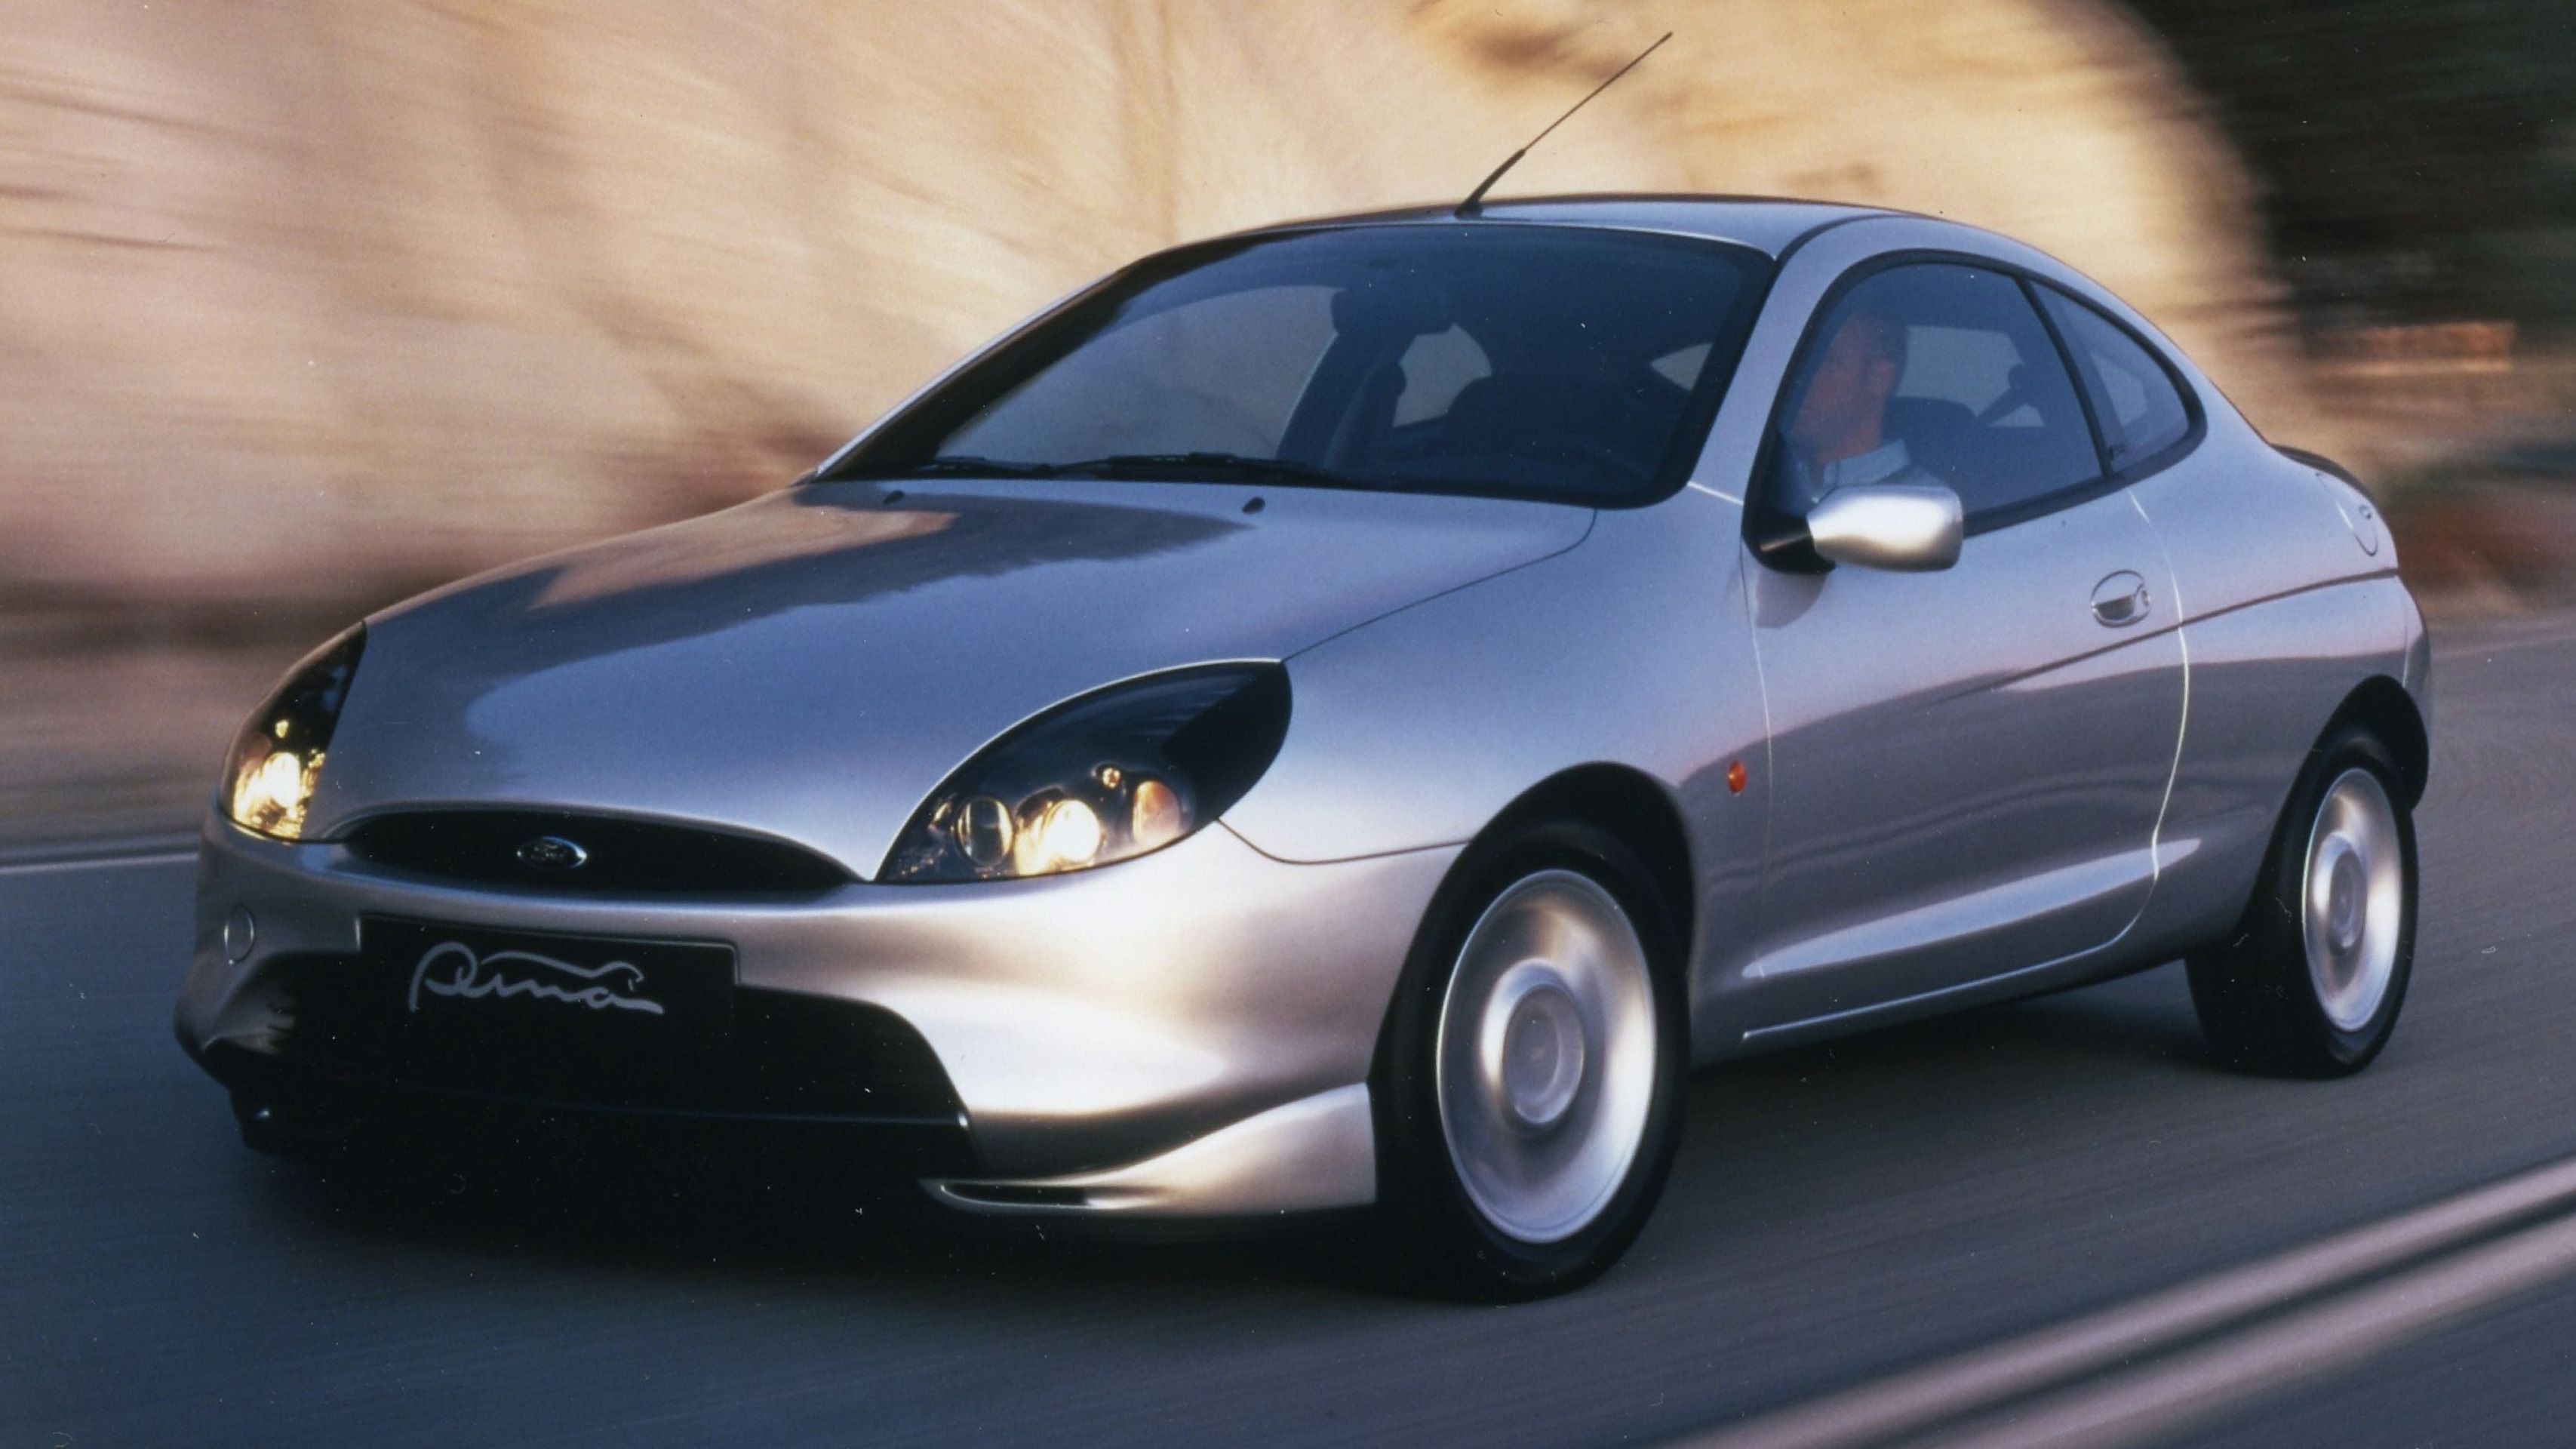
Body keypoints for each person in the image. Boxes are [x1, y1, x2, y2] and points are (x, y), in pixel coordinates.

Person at [1782, 303, 1937, 506]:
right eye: (1798, 361)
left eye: (1826, 361)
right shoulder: (1765, 484)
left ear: (1879, 379)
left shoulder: (1922, 507)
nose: (1799, 377)